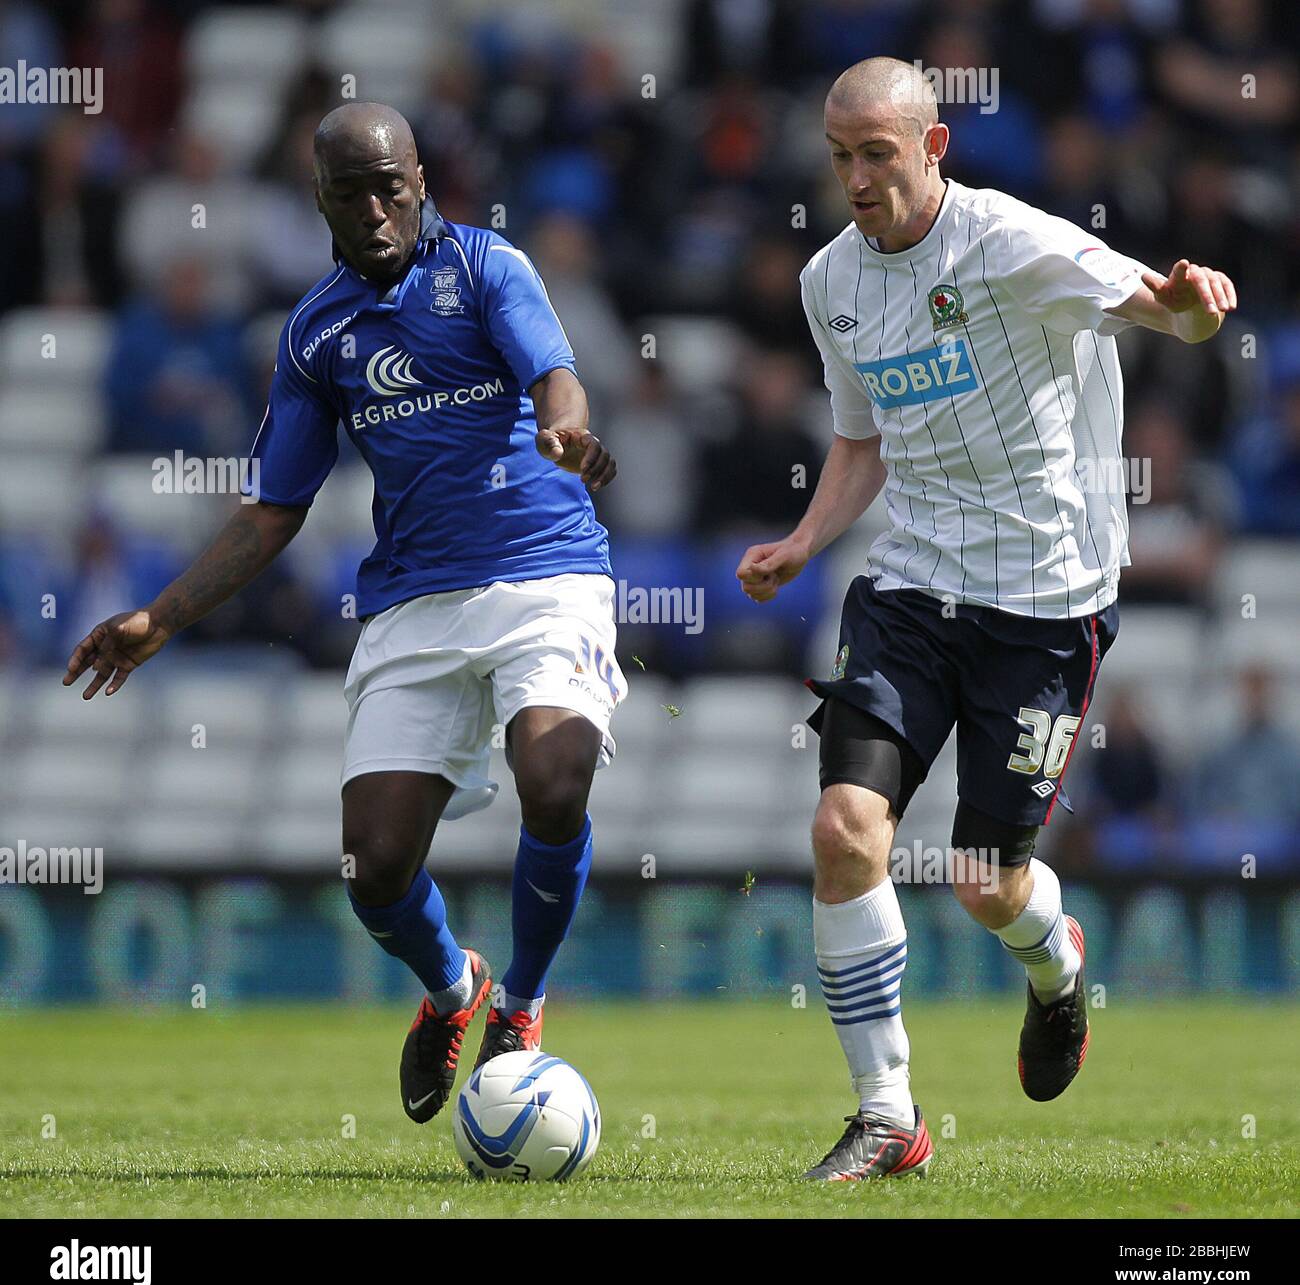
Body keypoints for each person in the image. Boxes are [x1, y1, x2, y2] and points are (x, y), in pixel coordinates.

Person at [64, 102, 624, 1127]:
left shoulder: (486, 268)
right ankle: (454, 987)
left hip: (543, 573)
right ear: (318, 199)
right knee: (373, 866)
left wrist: (565, 431)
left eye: (389, 189)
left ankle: (522, 1005)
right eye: (349, 193)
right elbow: (273, 507)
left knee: (553, 777)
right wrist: (161, 617)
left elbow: (557, 377)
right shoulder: (316, 331)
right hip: (412, 600)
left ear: (421, 183)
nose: (373, 211)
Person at [736, 58, 1236, 1182]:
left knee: (982, 882)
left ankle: (1056, 964)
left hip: (1045, 604)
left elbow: (1159, 308)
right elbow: (861, 437)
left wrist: (1195, 308)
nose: (856, 179)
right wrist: (806, 540)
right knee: (843, 830)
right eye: (840, 157)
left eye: (877, 154)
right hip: (911, 587)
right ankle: (887, 1116)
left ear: (933, 148)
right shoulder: (829, 281)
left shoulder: (1011, 242)